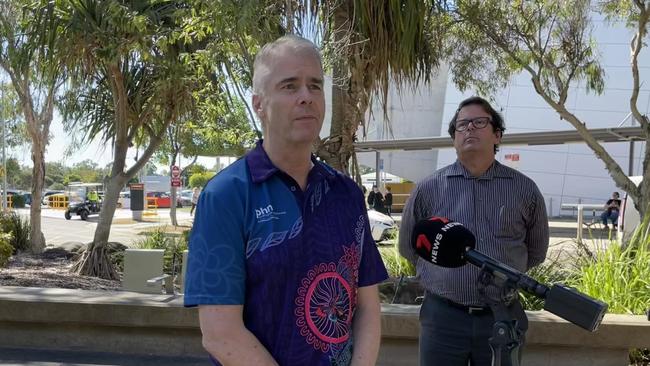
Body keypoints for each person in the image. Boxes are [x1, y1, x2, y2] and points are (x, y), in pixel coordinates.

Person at [184, 35, 388, 366]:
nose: (306, 97)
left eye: (315, 85)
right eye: (290, 86)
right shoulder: (226, 195)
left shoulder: (347, 195)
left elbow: (366, 305)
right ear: (259, 104)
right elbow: (220, 334)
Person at [398, 96, 549, 366]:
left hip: (502, 317)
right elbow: (409, 248)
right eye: (461, 125)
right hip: (442, 319)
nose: (469, 128)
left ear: (497, 135)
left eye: (479, 122)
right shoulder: (427, 189)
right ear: (454, 138)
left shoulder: (525, 190)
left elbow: (536, 252)